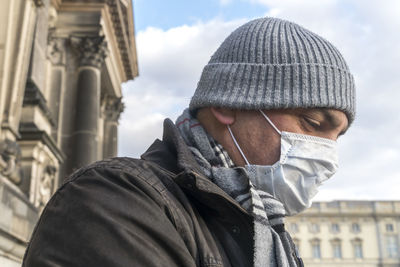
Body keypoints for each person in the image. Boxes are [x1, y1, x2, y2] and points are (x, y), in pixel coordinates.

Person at [23, 17, 355, 267]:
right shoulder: (113, 199)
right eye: (313, 123)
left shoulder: (268, 229)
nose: (330, 158)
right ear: (228, 104)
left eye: (336, 137)